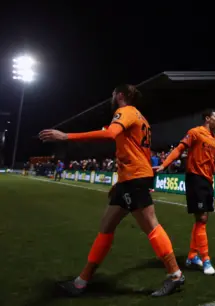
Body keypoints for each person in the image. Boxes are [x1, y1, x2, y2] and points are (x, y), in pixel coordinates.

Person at [38, 84, 184, 297]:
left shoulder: (124, 112)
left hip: (134, 179)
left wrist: (66, 137)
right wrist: (121, 181)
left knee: (151, 226)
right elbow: (135, 151)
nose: (112, 97)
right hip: (131, 178)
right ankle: (82, 280)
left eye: (114, 94)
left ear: (121, 95)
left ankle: (175, 274)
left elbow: (110, 134)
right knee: (106, 227)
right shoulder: (141, 117)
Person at [154, 110, 215, 276]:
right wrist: (164, 164)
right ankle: (205, 259)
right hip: (195, 179)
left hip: (208, 180)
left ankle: (192, 256)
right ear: (207, 118)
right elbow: (179, 149)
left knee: (202, 220)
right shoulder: (195, 133)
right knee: (202, 218)